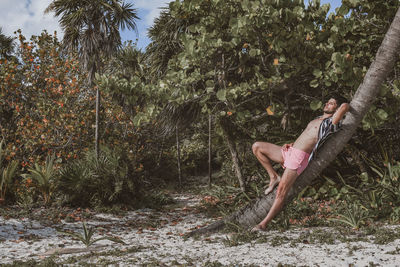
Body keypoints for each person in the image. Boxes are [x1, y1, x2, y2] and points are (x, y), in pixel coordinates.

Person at [251, 95, 349, 231]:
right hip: (290, 151)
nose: (327, 104)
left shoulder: (331, 124)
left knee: (281, 191)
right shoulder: (316, 119)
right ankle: (273, 176)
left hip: (298, 158)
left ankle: (263, 224)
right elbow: (305, 137)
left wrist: (343, 105)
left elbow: (345, 106)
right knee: (257, 147)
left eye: (331, 103)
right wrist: (291, 144)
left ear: (337, 108)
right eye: (327, 102)